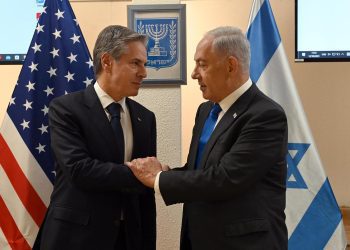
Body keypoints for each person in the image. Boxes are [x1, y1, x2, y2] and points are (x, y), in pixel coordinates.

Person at [127, 26, 288, 250]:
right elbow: (201, 171)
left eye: (202, 64)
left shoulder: (265, 115)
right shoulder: (206, 111)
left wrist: (159, 179)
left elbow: (225, 178)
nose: (194, 73)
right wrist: (167, 172)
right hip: (199, 239)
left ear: (231, 66)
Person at [33, 25, 156, 250]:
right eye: (135, 63)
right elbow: (79, 170)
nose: (144, 73)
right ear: (107, 61)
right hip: (75, 238)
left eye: (144, 64)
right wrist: (143, 174)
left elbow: (145, 197)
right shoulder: (65, 109)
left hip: (128, 240)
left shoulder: (145, 118)